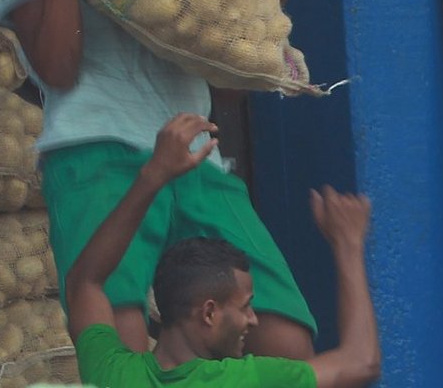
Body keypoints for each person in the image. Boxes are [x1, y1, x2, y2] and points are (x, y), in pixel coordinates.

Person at [0, 0, 312, 356]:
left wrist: (262, 12)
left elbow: (225, 95)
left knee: (287, 345)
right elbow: (57, 68)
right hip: (96, 153)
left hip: (195, 157)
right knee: (122, 348)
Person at [67, 113, 380, 387]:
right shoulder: (242, 380)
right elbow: (361, 362)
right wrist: (348, 245)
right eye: (245, 307)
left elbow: (85, 281)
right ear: (209, 312)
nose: (254, 320)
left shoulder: (114, 374)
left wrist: (153, 176)